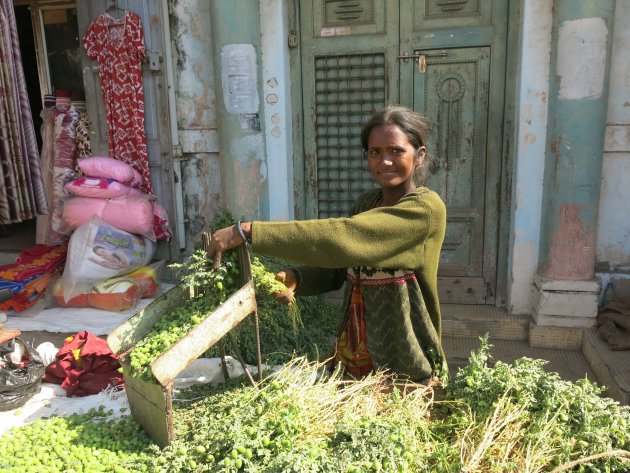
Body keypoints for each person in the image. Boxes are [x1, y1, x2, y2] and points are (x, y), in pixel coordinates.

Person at [209, 105, 448, 383]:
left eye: (396, 151)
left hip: (404, 359)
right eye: (375, 152)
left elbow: (346, 237)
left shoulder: (425, 210)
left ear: (419, 156)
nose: (384, 161)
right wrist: (297, 278)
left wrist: (251, 232)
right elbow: (341, 266)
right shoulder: (366, 203)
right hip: (354, 351)